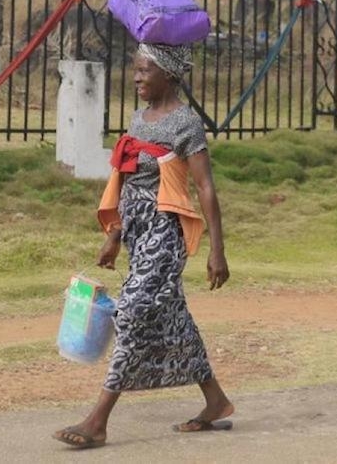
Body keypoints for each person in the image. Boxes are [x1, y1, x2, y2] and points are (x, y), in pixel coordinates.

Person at [54, 44, 233, 450]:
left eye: (144, 71)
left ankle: (97, 420)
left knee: (132, 311)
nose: (136, 78)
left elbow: (204, 186)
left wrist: (216, 249)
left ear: (168, 75)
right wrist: (114, 236)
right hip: (136, 232)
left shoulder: (186, 123)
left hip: (165, 235)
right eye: (134, 70)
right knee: (172, 319)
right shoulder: (139, 119)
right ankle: (216, 401)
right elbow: (129, 179)